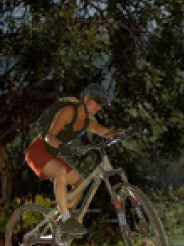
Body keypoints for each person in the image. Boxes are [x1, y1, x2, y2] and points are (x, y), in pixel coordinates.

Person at [24, 83, 123, 237]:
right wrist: (65, 149)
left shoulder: (87, 122)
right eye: (97, 102)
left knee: (80, 183)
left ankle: (64, 213)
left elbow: (107, 132)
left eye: (102, 104)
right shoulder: (68, 111)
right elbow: (49, 136)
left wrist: (126, 132)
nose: (99, 107)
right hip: (38, 151)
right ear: (86, 98)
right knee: (60, 171)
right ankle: (65, 219)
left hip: (51, 155)